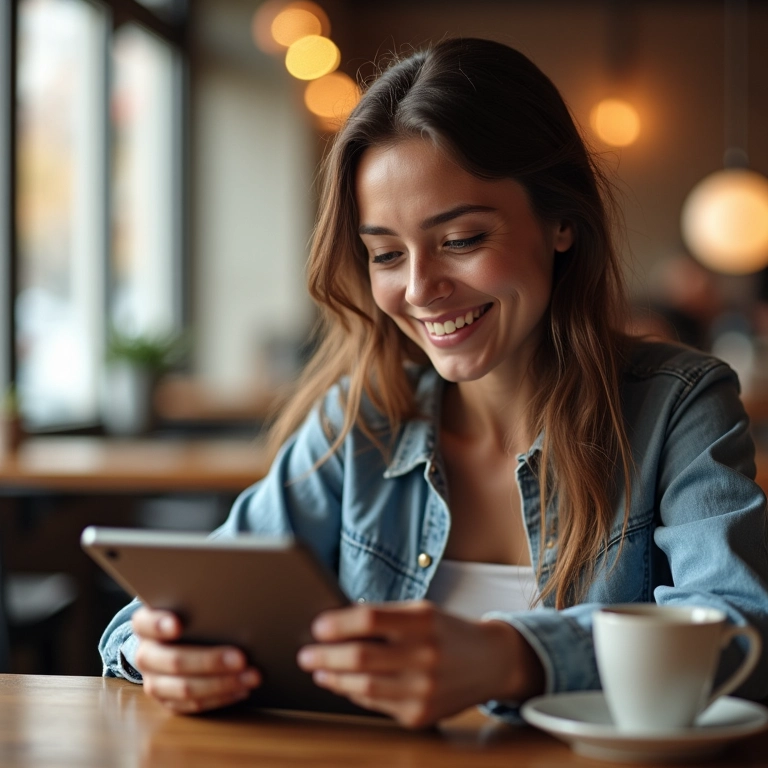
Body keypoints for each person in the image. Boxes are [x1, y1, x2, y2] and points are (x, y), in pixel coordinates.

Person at [99, 37, 768, 727]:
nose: (420, 289)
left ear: (562, 223)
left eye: (461, 240)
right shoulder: (360, 424)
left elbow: (744, 632)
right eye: (387, 254)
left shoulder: (679, 405)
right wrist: (159, 650)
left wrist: (514, 658)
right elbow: (153, 616)